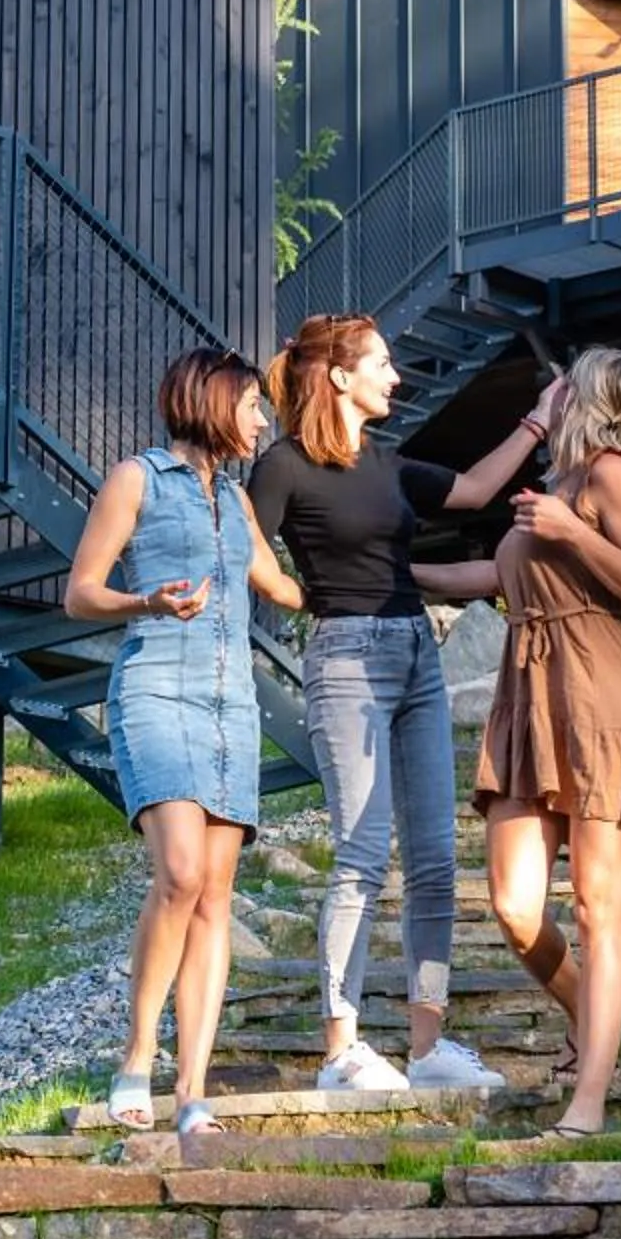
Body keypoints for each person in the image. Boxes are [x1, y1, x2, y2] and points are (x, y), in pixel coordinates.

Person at [254, 313, 552, 1093]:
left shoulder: (390, 466)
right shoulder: (283, 466)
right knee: (360, 852)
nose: (397, 377)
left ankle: (427, 1049)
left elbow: (480, 489)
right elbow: (243, 541)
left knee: (431, 858)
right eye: (382, 364)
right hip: (347, 661)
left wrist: (539, 420)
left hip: (417, 655)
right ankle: (340, 1052)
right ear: (339, 376)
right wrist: (296, 592)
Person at [416, 347, 621, 1138]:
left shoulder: (609, 473)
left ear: (581, 396)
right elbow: (494, 579)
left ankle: (588, 1103)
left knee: (598, 907)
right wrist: (388, 567)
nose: (543, 397)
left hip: (597, 687)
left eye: (554, 389)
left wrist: (573, 531)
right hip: (530, 693)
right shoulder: (557, 486)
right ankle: (590, 1018)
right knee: (513, 903)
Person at [63, 349, 304, 1135]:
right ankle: (137, 1056)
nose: (263, 421)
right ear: (213, 401)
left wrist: (377, 567)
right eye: (254, 406)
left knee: (216, 897)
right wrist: (147, 601)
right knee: (179, 872)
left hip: (232, 708)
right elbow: (80, 594)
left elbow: (283, 588)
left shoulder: (235, 502)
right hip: (156, 689)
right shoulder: (136, 479)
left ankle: (194, 1089)